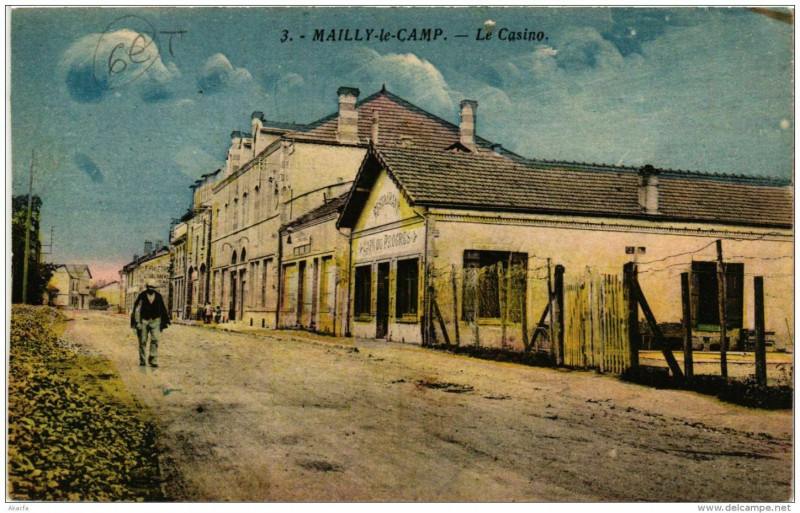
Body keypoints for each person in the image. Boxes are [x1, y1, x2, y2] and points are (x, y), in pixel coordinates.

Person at [130, 278, 170, 368]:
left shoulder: (158, 296)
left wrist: (163, 322)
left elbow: (162, 309)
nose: (151, 289)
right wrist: (138, 322)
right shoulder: (142, 296)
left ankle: (153, 360)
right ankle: (142, 360)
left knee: (155, 340)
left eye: (153, 287)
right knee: (143, 341)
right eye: (150, 287)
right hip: (144, 321)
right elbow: (137, 310)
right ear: (147, 287)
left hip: (155, 321)